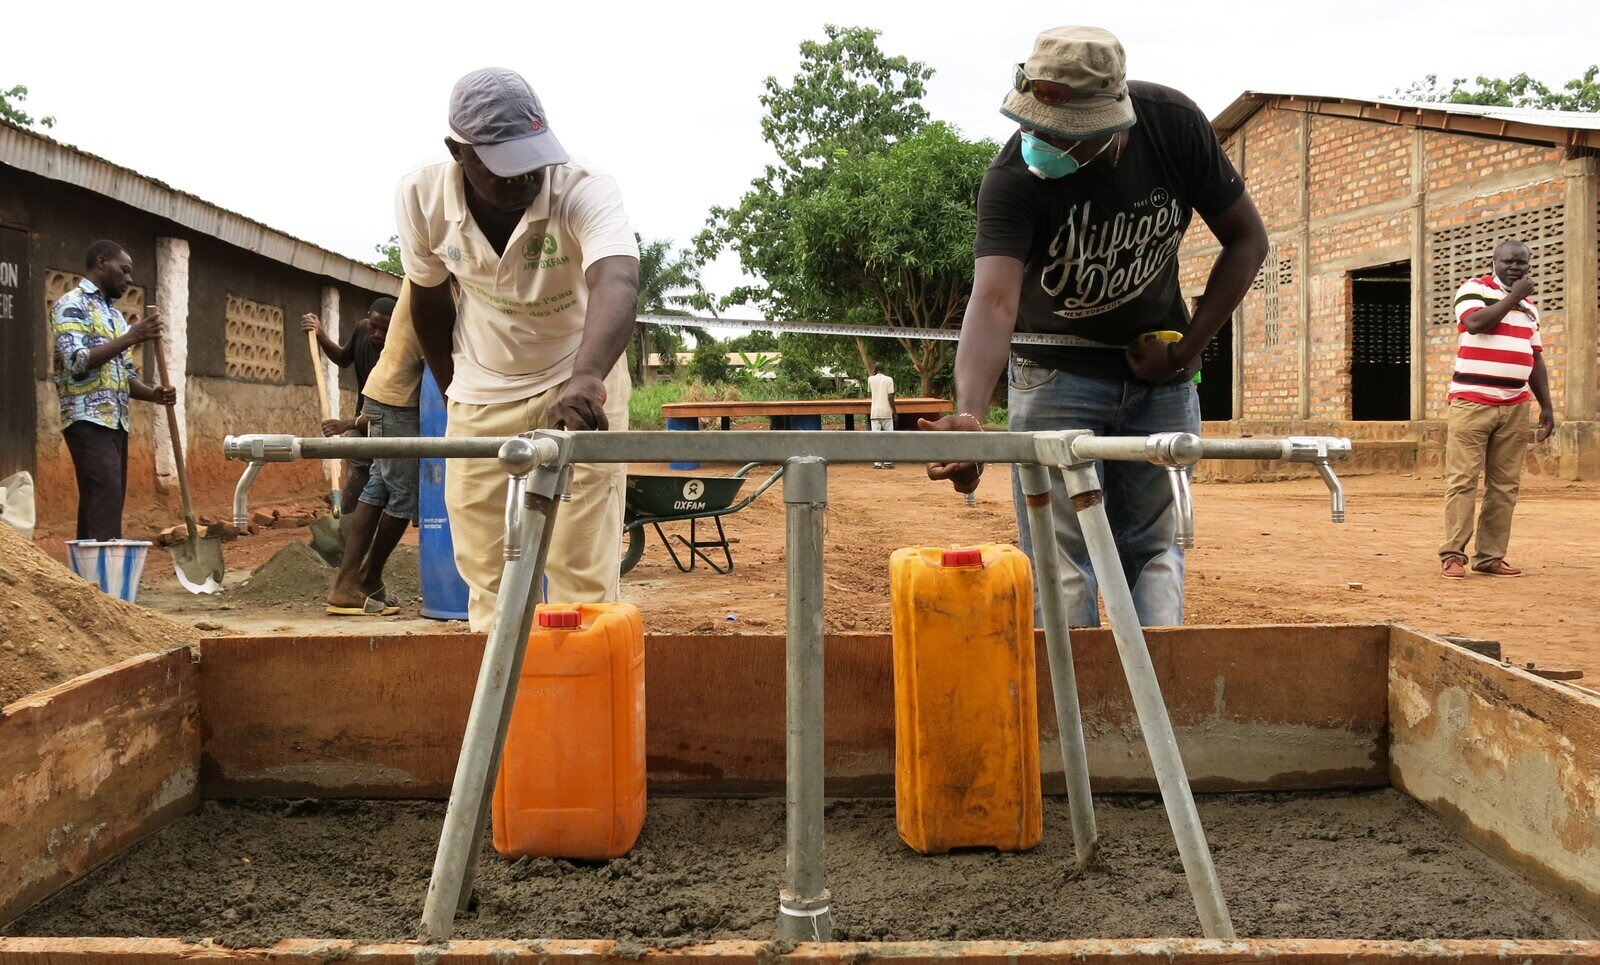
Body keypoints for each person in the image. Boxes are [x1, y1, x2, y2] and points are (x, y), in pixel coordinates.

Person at [923, 26, 1267, 628]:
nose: (1036, 140)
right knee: (1060, 557)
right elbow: (995, 301)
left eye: (1057, 133)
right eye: (1030, 122)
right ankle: (1076, 709)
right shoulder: (1013, 177)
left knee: (1155, 550)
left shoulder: (1172, 126)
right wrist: (971, 417)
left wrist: (1188, 352)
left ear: (1111, 120)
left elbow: (1247, 239)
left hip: (1159, 379)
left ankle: (1152, 704)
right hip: (1055, 380)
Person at [391, 67, 639, 631]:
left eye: (533, 160)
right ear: (459, 152)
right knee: (486, 562)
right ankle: (507, 706)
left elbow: (617, 280)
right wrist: (454, 389)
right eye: (504, 167)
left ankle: (582, 704)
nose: (524, 177)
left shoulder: (582, 186)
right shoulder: (421, 196)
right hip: (482, 387)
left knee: (579, 564)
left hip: (578, 378)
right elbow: (428, 300)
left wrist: (587, 379)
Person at [1438, 240, 1554, 579]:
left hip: (1516, 406)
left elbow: (1535, 358)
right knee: (1463, 480)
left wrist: (1547, 406)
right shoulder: (1473, 289)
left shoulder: (1530, 309)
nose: (1515, 267)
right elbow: (1476, 324)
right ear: (1494, 262)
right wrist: (1514, 296)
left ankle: (1489, 556)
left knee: (1505, 485)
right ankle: (1453, 555)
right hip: (1472, 402)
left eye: (1522, 262)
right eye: (1508, 261)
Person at [50, 240, 177, 540]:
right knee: (105, 495)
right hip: (86, 420)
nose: (129, 279)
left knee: (103, 500)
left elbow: (124, 376)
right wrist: (131, 337)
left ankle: (87, 578)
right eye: (124, 270)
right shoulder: (71, 304)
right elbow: (76, 360)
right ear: (101, 262)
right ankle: (106, 579)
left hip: (116, 422)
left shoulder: (115, 317)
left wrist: (154, 394)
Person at [324, 287, 424, 615]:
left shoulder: (422, 288)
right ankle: (364, 577)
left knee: (379, 485)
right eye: (374, 326)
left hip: (385, 400)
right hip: (397, 403)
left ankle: (352, 582)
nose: (377, 333)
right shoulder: (430, 288)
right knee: (404, 495)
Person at [301, 296, 396, 514]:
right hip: (364, 426)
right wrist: (320, 334)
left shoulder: (398, 350)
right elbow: (344, 359)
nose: (377, 334)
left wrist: (346, 424)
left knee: (392, 493)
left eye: (385, 330)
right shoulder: (361, 330)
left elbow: (388, 407)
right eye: (374, 327)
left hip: (391, 428)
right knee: (357, 487)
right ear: (368, 319)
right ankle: (349, 529)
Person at [867, 363, 897, 469]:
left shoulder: (870, 379)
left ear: (874, 370)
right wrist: (895, 411)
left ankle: (877, 463)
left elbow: (871, 391)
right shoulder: (889, 380)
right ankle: (888, 462)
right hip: (886, 412)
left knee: (876, 438)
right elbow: (890, 397)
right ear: (883, 370)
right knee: (889, 437)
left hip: (875, 412)